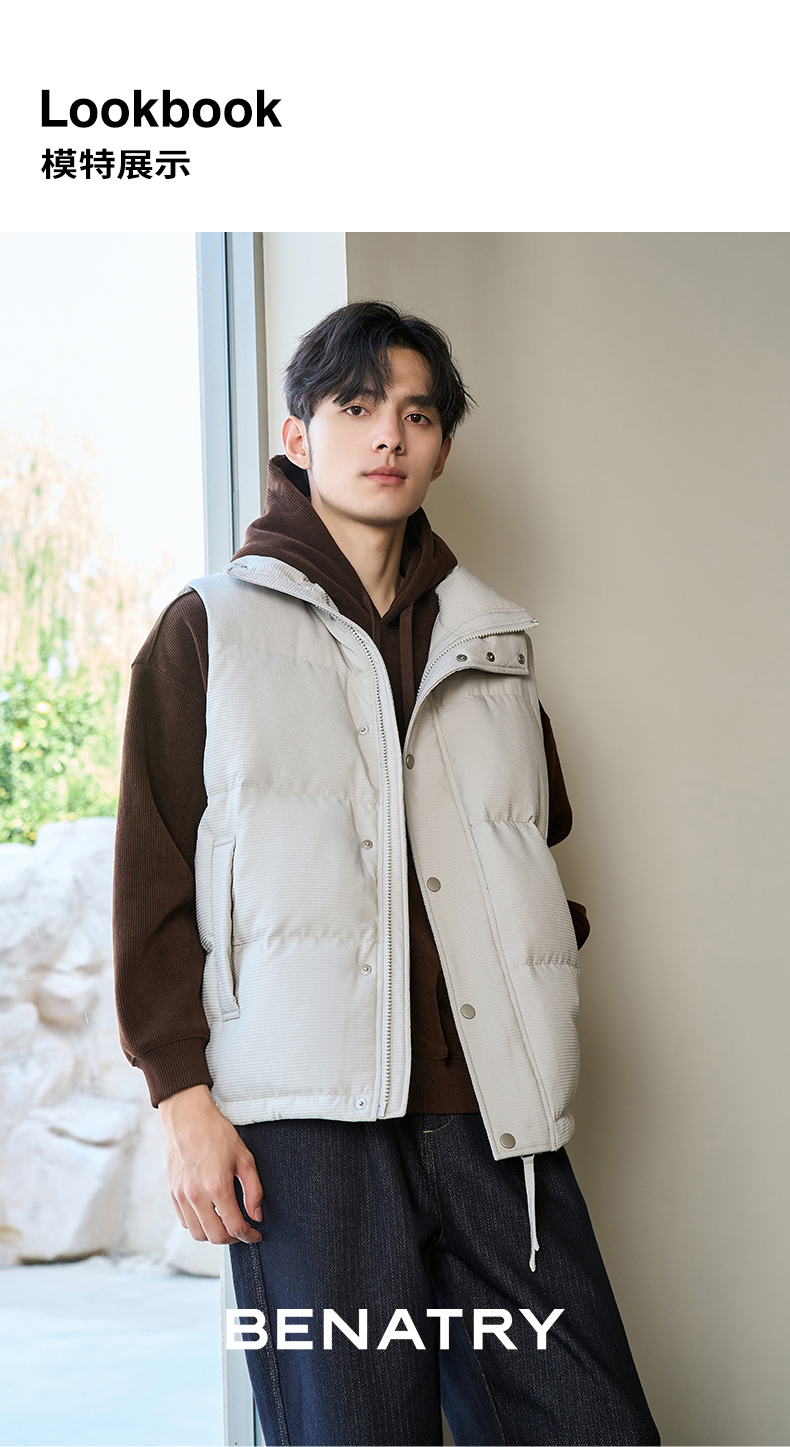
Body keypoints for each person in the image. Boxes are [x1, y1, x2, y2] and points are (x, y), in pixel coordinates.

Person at [113, 300, 659, 1446]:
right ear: (298, 434)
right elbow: (151, 883)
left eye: (416, 414)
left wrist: (532, 966)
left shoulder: (490, 641)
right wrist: (183, 1099)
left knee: (590, 1423)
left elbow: (527, 836)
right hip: (306, 1128)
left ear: (441, 447)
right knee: (349, 1431)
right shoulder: (208, 629)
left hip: (489, 1119)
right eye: (357, 407)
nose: (387, 436)